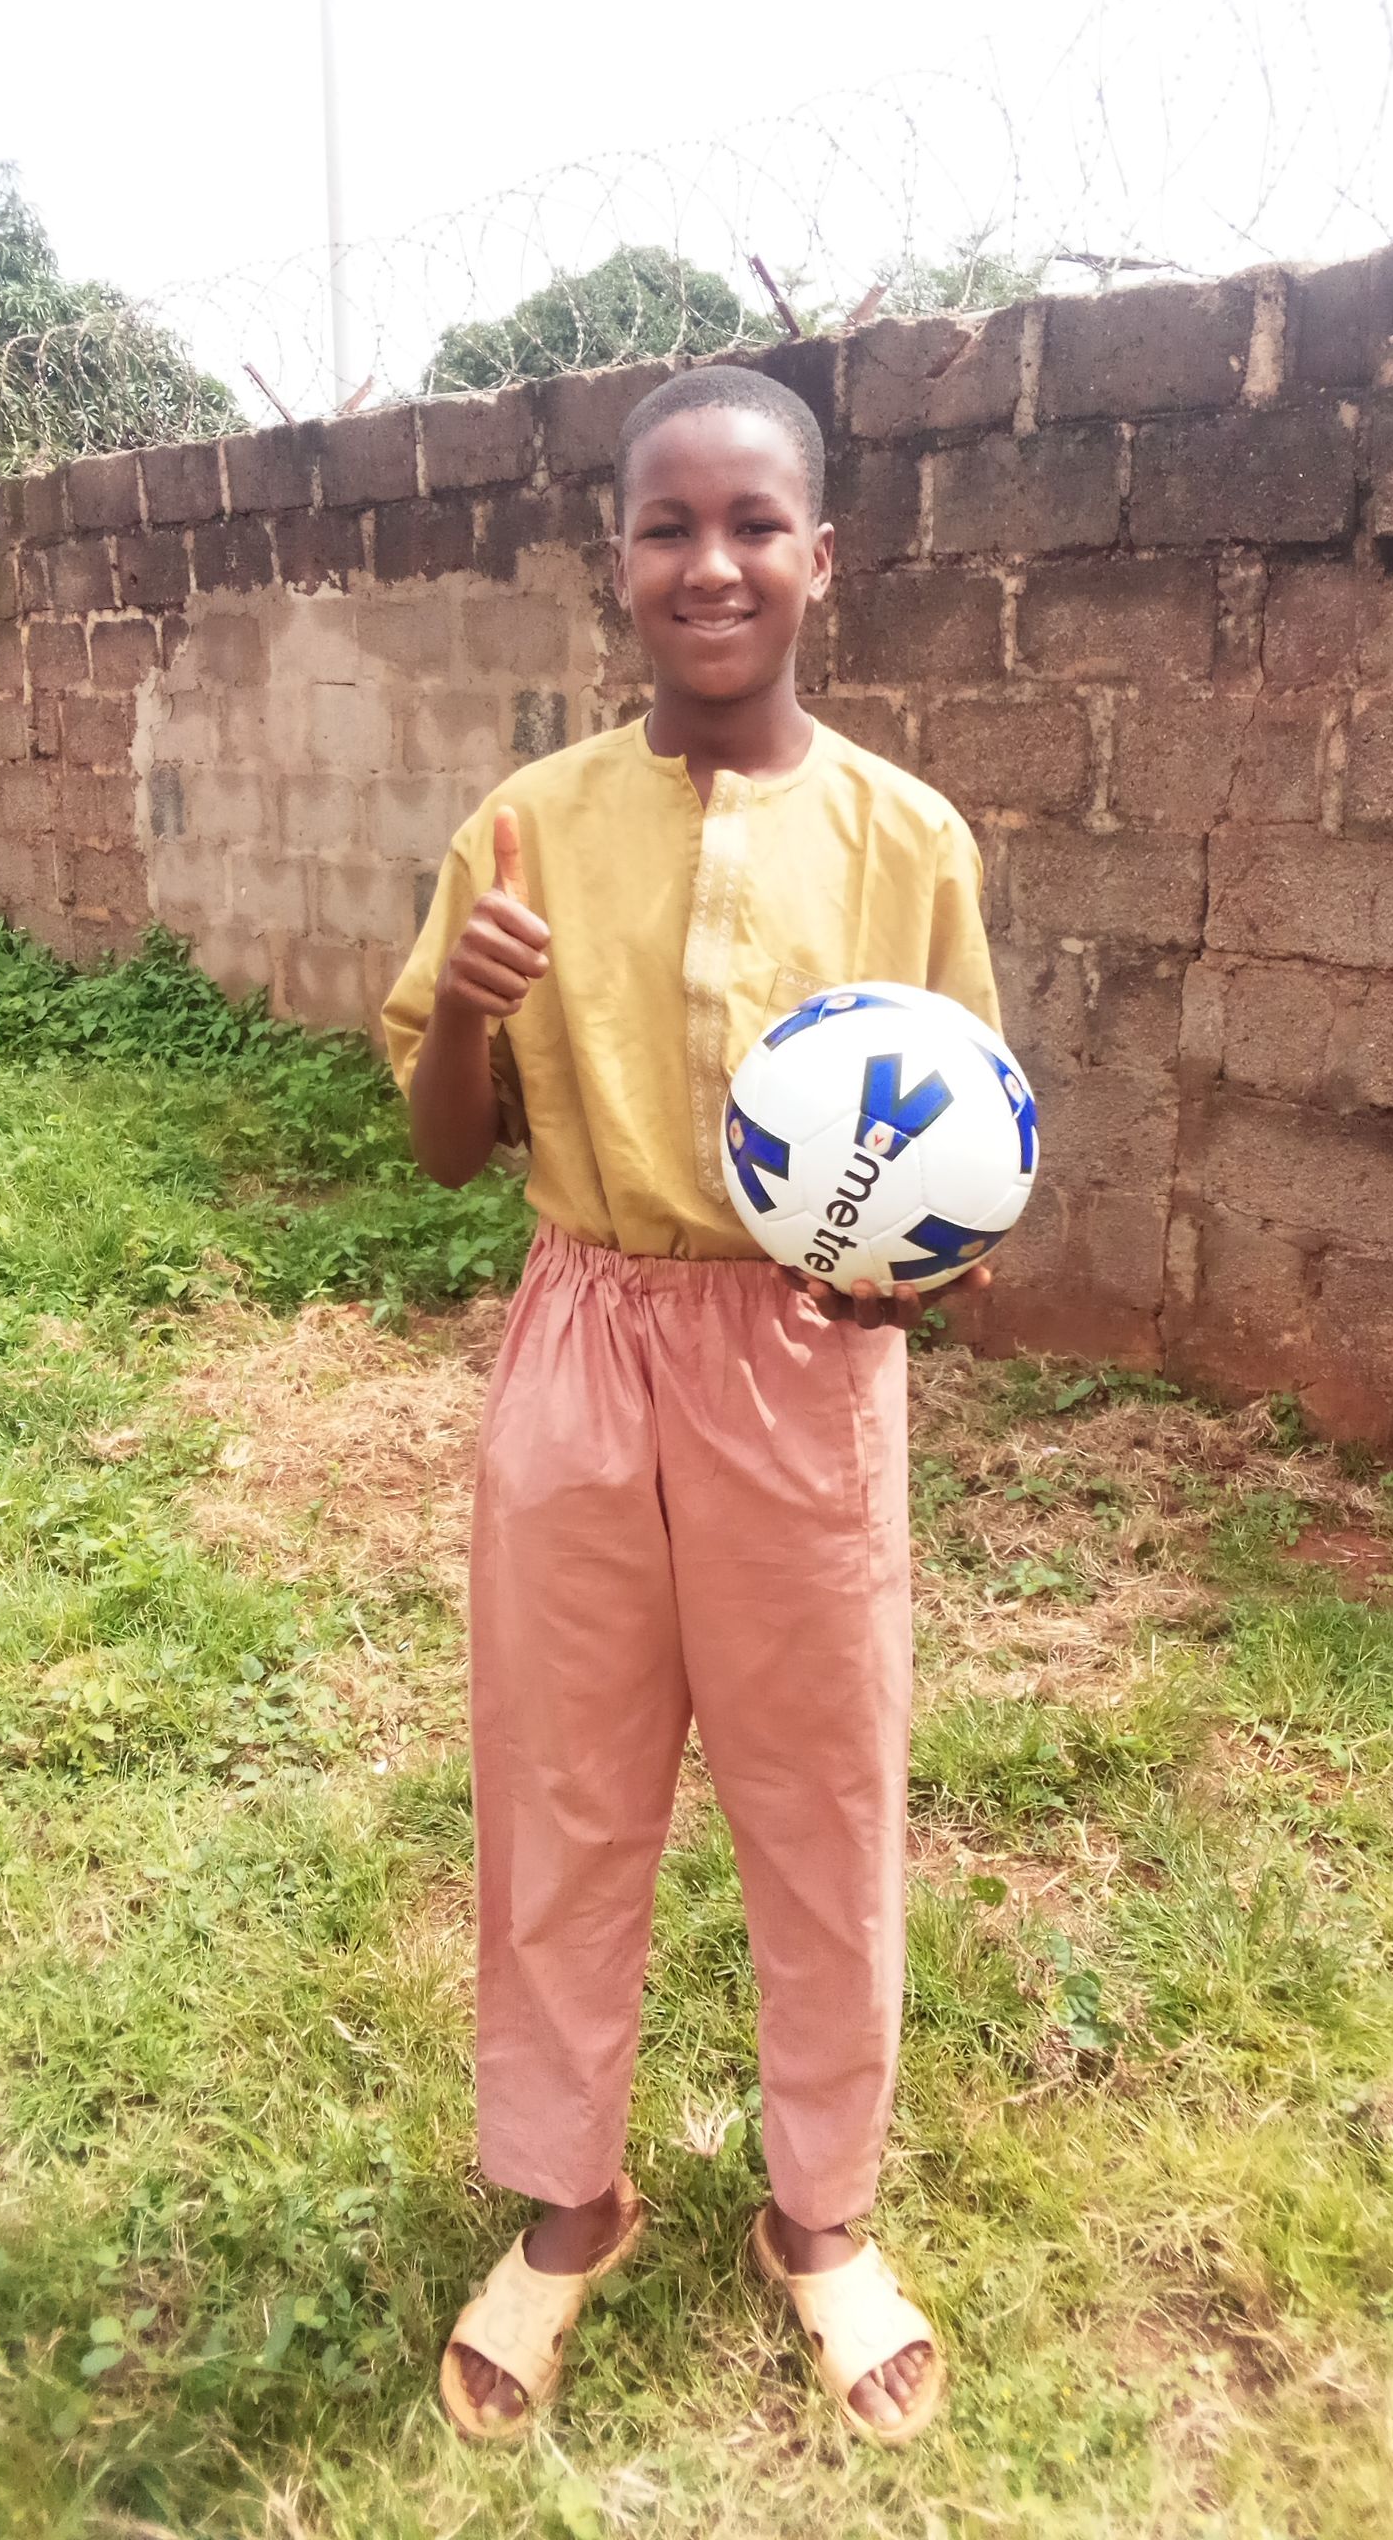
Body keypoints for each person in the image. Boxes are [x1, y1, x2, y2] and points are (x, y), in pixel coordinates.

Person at [382, 362, 1001, 2449]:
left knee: (821, 1794)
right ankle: (570, 2195)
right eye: (669, 526)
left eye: (754, 525)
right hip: (580, 1347)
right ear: (619, 559)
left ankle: (823, 2213)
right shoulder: (526, 824)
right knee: (561, 1779)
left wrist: (923, 1263)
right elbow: (444, 1152)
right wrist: (464, 1021)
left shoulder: (907, 839)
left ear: (826, 557)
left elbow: (967, 1158)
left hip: (801, 1368)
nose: (710, 564)